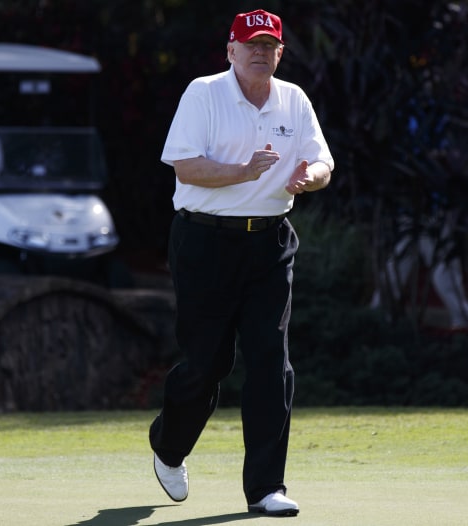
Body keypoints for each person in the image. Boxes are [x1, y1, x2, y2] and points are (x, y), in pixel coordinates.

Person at [149, 8, 334, 518]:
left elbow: (323, 161)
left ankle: (266, 488)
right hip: (204, 241)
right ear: (231, 51)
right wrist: (243, 172)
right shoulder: (203, 93)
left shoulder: (293, 99)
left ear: (279, 53)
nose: (260, 52)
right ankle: (168, 445)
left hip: (270, 244)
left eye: (269, 45)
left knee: (271, 361)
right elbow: (186, 166)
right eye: (250, 44)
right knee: (207, 363)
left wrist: (309, 176)